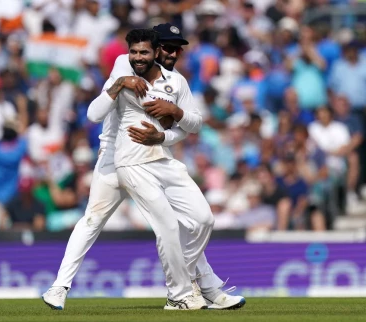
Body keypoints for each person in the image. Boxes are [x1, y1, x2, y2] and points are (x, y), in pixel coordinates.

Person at [42, 26, 245, 311]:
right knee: (93, 220)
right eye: (169, 47)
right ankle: (59, 287)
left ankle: (202, 286)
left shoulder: (175, 81)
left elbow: (191, 125)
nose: (175, 53)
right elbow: (94, 112)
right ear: (156, 48)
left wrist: (168, 125)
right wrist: (122, 81)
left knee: (192, 222)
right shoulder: (126, 63)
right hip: (114, 158)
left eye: (179, 48)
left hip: (156, 154)